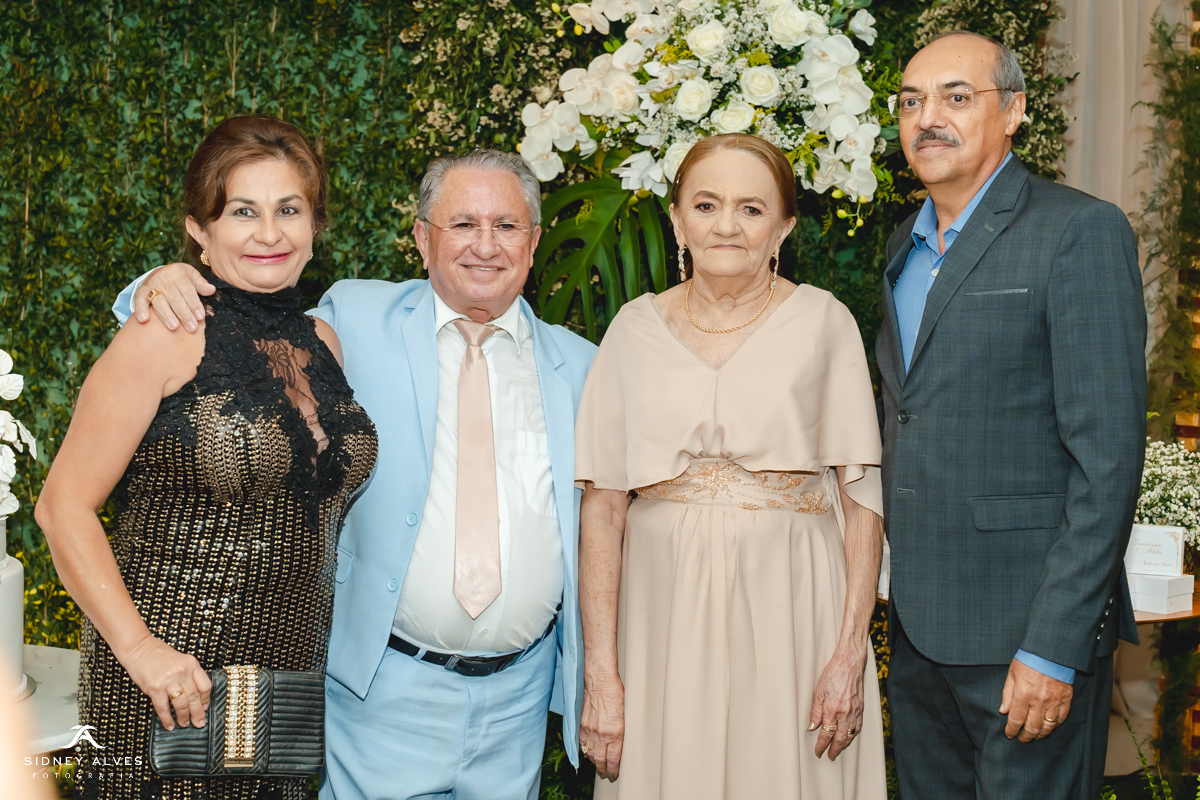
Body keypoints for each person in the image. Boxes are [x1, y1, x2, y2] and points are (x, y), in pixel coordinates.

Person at [113, 149, 597, 800]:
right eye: (462, 224)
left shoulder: (583, 367)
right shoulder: (355, 317)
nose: (485, 245)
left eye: (506, 226)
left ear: (533, 242)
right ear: (422, 238)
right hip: (380, 690)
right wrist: (155, 284)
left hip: (521, 702)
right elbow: (244, 320)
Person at [36, 115, 378, 799]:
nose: (269, 233)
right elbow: (62, 508)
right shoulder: (162, 333)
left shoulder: (323, 344)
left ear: (316, 226)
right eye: (242, 212)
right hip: (167, 685)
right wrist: (142, 653)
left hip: (282, 687)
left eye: (289, 210)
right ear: (200, 229)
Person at [575, 134, 887, 799]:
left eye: (751, 208)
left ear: (784, 228)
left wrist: (848, 653)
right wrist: (601, 673)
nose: (726, 225)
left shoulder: (824, 323)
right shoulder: (632, 329)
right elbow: (602, 510)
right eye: (706, 204)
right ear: (677, 220)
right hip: (660, 615)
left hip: (792, 608)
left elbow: (861, 498)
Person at [878, 31, 1146, 799]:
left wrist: (1053, 648)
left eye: (957, 97)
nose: (928, 117)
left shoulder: (1077, 231)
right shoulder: (903, 247)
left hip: (1025, 639)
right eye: (911, 101)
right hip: (920, 635)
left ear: (1015, 111)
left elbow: (1107, 463)